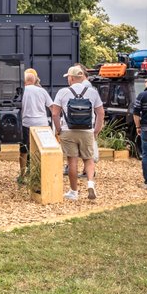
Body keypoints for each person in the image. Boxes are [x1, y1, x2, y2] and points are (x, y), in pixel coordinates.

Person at [51, 65, 104, 201]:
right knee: (89, 159)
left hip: (68, 131)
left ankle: (74, 192)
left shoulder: (62, 92)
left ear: (72, 78)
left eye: (68, 77)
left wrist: (58, 130)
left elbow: (55, 113)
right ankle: (90, 183)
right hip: (87, 131)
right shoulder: (92, 92)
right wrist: (96, 131)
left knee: (72, 161)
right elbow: (100, 113)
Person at [18, 68, 53, 182]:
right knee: (39, 149)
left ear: (24, 81)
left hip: (26, 124)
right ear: (34, 80)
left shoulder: (21, 91)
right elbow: (52, 107)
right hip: (42, 124)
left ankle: (22, 176)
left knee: (24, 150)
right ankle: (38, 174)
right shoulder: (42, 91)